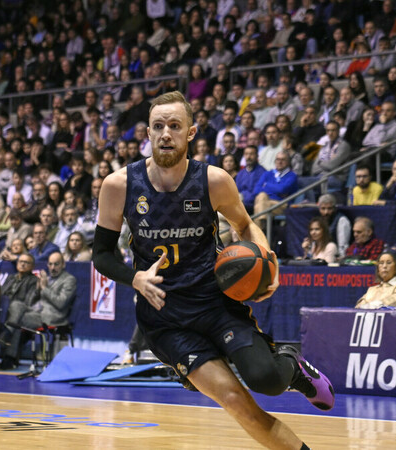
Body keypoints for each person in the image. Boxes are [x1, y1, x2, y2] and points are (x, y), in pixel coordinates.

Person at [93, 91, 333, 450]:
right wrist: (135, 277)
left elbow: (245, 226)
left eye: (175, 126)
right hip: (165, 317)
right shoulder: (118, 185)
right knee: (238, 403)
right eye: (158, 126)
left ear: (191, 133)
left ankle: (292, 365)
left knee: (265, 379)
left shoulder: (213, 180)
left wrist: (269, 263)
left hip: (215, 302)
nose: (165, 134)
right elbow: (101, 254)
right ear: (147, 132)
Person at [0, 252, 76, 370]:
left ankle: (9, 354)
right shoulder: (47, 278)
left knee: (16, 321)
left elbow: (61, 303)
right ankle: (8, 341)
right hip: (37, 312)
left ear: (63, 265)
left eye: (56, 264)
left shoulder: (69, 280)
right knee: (16, 305)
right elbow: (34, 300)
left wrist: (44, 288)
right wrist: (38, 289)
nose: (53, 267)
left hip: (53, 316)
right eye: (50, 264)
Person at [252, 150, 298, 230]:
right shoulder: (267, 174)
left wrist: (266, 185)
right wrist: (275, 189)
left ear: (288, 162)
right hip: (267, 203)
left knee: (259, 203)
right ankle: (262, 223)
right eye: (277, 159)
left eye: (283, 160)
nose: (279, 162)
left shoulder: (292, 176)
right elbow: (256, 190)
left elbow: (282, 189)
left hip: (282, 204)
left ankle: (260, 230)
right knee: (262, 196)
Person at [317, 194, 351, 258]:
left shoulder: (342, 220)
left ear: (334, 208)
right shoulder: (319, 221)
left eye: (329, 208)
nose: (326, 212)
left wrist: (341, 258)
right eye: (323, 208)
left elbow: (343, 246)